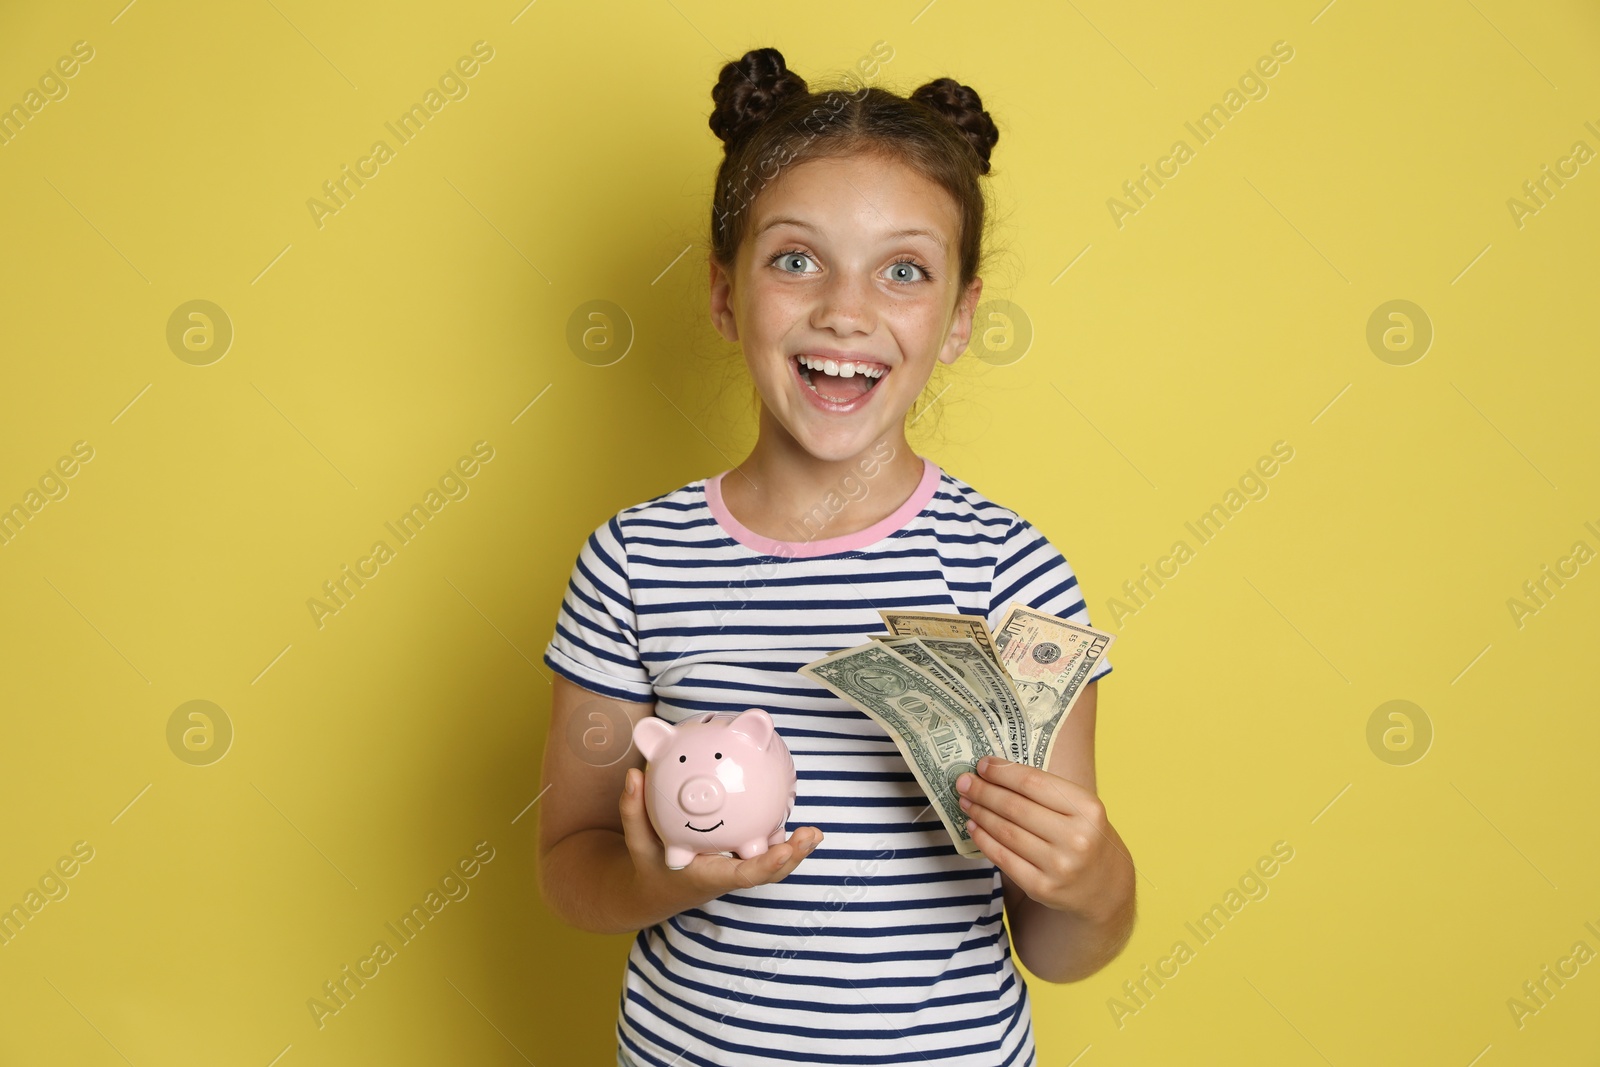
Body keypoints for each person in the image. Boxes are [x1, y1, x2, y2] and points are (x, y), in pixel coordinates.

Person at [537, 46, 1137, 1067]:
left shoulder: (1011, 574)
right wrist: (665, 880)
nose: (846, 311)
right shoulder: (632, 562)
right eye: (795, 258)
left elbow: (1062, 946)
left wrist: (1095, 881)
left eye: (903, 270)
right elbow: (570, 866)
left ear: (957, 318)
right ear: (726, 296)